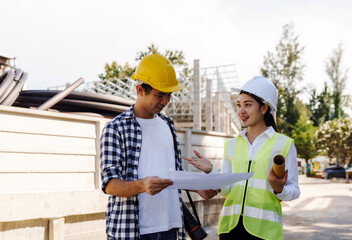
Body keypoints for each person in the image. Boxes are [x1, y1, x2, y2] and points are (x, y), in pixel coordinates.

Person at [100, 54, 216, 240]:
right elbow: (110, 184)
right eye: (159, 95)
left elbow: (174, 174)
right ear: (140, 90)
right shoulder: (115, 128)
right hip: (134, 231)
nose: (165, 101)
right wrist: (142, 185)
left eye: (169, 95)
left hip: (172, 227)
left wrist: (197, 188)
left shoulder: (168, 124)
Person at [186, 76, 300, 240]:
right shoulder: (231, 145)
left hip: (264, 232)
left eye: (248, 105)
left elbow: (294, 191)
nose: (241, 111)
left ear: (263, 108)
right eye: (238, 105)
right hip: (230, 229)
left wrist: (279, 189)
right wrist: (211, 171)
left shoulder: (284, 145)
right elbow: (227, 191)